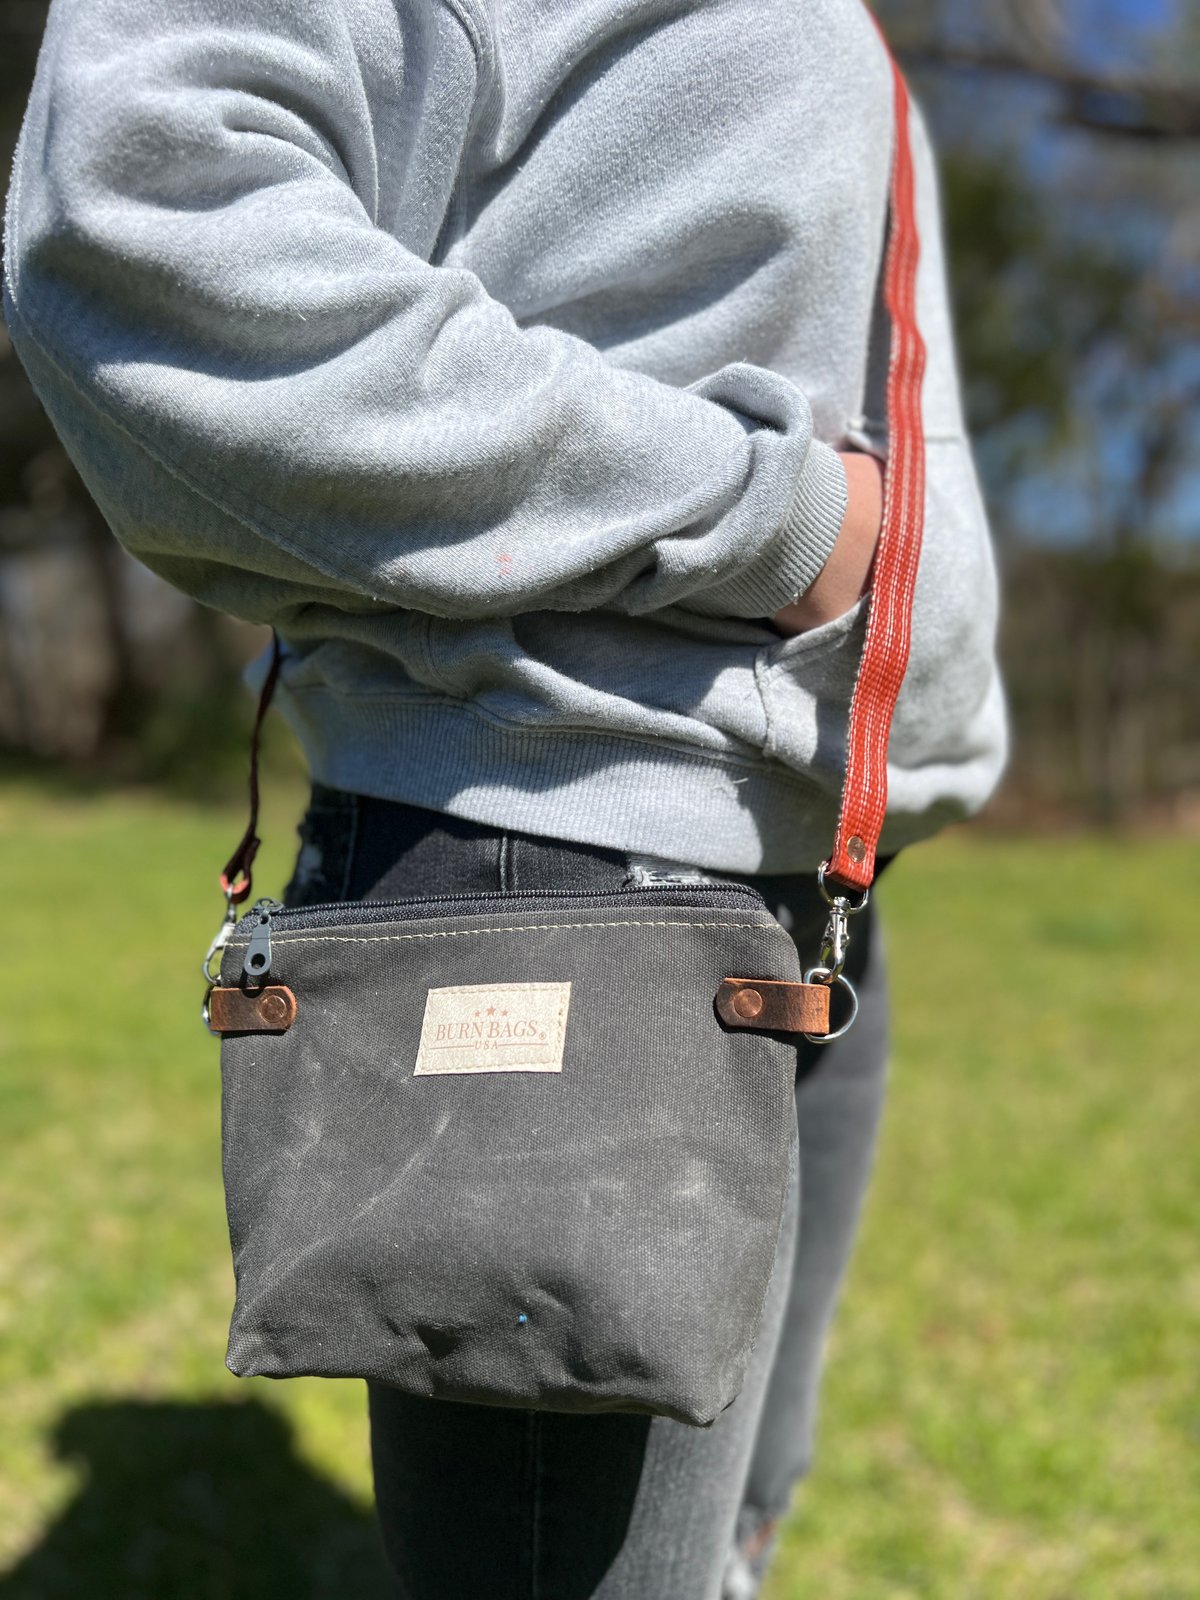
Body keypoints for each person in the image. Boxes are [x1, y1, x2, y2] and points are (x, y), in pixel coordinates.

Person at [4, 0, 1006, 1594]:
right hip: (572, 878)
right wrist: (778, 519)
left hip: (816, 867)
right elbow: (145, 237)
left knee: (729, 1527)